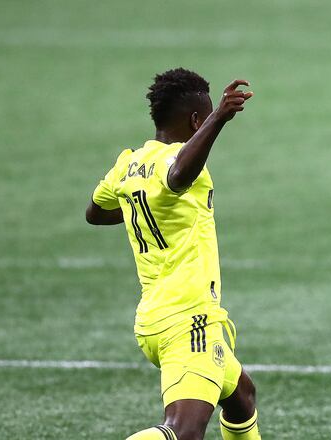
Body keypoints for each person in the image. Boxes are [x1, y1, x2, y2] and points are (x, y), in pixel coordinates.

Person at [86, 68, 260, 440]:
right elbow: (178, 174)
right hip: (190, 319)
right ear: (196, 119)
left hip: (154, 320)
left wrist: (137, 207)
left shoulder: (128, 164)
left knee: (241, 395)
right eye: (205, 115)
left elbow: (95, 212)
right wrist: (219, 119)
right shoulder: (178, 163)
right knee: (183, 432)